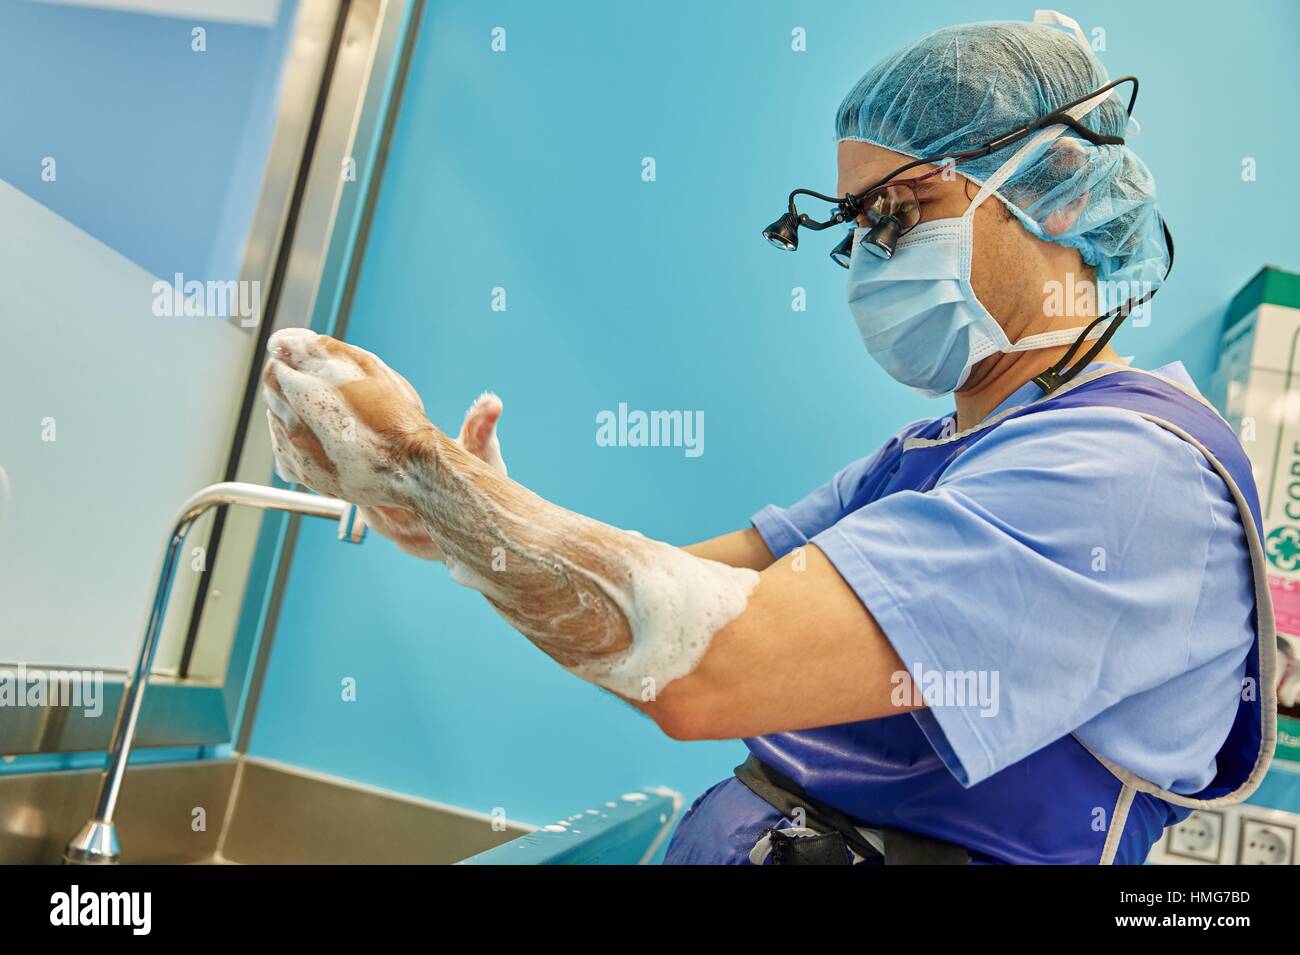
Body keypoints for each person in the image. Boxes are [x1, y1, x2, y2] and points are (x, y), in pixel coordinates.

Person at [260, 13, 1275, 864]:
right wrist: (464, 519)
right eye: (860, 226)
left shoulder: (1125, 478)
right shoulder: (929, 452)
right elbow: (666, 594)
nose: (874, 255)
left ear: (1050, 189)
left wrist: (422, 469)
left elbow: (703, 665)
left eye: (903, 208)